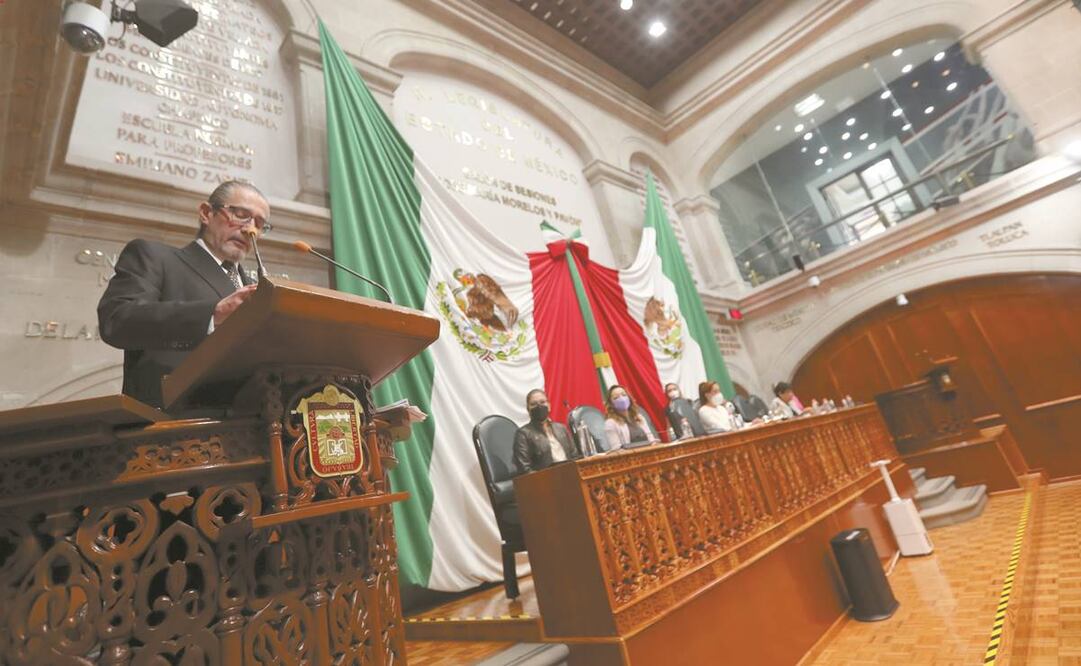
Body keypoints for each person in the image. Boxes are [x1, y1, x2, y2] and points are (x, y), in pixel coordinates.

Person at [98, 181, 270, 407]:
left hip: (252, 422)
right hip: (173, 422)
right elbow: (117, 321)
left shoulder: (255, 287)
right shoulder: (155, 257)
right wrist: (212, 314)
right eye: (240, 215)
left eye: (259, 223)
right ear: (206, 213)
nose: (251, 230)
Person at [513, 389, 579, 474]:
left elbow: (575, 456)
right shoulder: (523, 434)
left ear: (549, 406)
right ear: (528, 409)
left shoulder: (561, 428)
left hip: (571, 475)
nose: (539, 406)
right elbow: (524, 470)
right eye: (534, 404)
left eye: (542, 402)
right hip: (545, 482)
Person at [604, 385, 658, 449]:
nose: (622, 398)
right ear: (611, 403)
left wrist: (654, 443)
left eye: (624, 395)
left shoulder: (639, 417)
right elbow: (617, 449)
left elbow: (651, 439)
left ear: (629, 398)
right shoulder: (610, 423)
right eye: (616, 397)